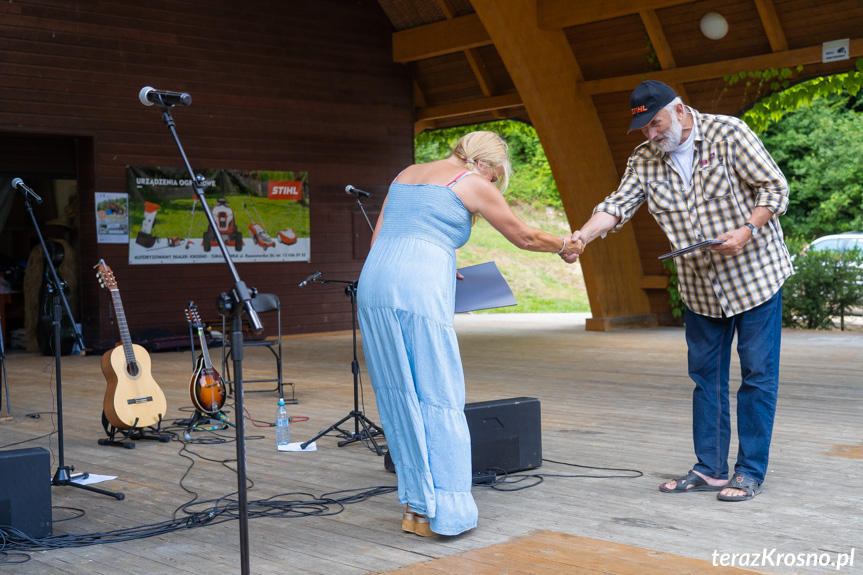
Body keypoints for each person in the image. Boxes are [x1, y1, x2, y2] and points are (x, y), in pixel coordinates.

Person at [564, 80, 793, 502]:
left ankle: (750, 470)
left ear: (680, 110)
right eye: (645, 129)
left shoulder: (730, 133)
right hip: (700, 289)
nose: (652, 135)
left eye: (656, 123)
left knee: (758, 375)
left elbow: (775, 189)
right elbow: (618, 205)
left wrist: (746, 230)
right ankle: (710, 469)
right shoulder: (645, 159)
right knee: (706, 378)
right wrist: (582, 236)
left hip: (756, 276)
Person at [357, 131, 583, 536]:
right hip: (416, 286)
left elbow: (382, 238)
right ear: (486, 165)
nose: (494, 184)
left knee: (397, 395)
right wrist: (565, 244)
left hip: (374, 283)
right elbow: (525, 236)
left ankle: (415, 507)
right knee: (437, 393)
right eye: (497, 177)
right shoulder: (470, 182)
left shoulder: (407, 173)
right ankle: (447, 514)